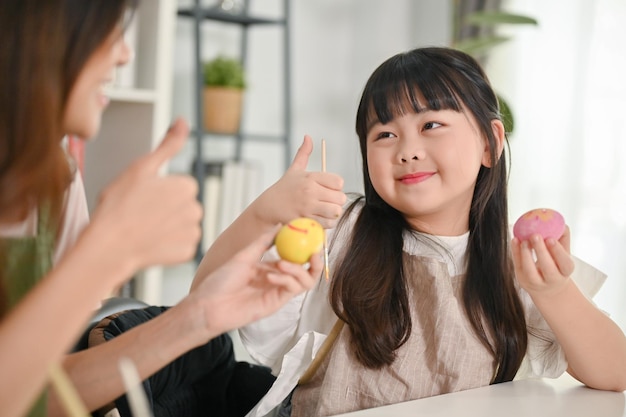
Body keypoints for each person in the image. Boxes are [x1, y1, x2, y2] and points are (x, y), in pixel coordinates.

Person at [194, 46, 626, 416]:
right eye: (384, 134)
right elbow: (208, 299)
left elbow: (615, 372)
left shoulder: (520, 265)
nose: (407, 151)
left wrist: (554, 293)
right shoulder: (337, 233)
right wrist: (264, 214)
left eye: (430, 125)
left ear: (490, 143)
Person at [0, 1, 322, 417]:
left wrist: (199, 317)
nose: (125, 54)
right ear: (41, 33)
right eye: (109, 33)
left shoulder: (53, 177)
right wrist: (107, 251)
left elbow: (44, 394)